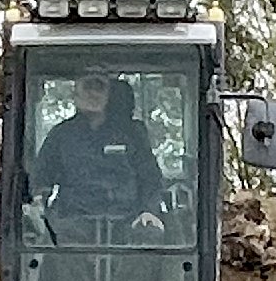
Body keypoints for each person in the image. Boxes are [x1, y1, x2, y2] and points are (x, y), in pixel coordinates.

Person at [28, 73, 170, 236]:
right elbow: (42, 176)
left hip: (127, 223)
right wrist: (38, 203)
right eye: (88, 87)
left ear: (109, 94)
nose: (93, 93)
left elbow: (150, 178)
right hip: (72, 224)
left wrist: (149, 211)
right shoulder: (61, 135)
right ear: (76, 94)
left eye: (99, 87)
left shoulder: (132, 134)